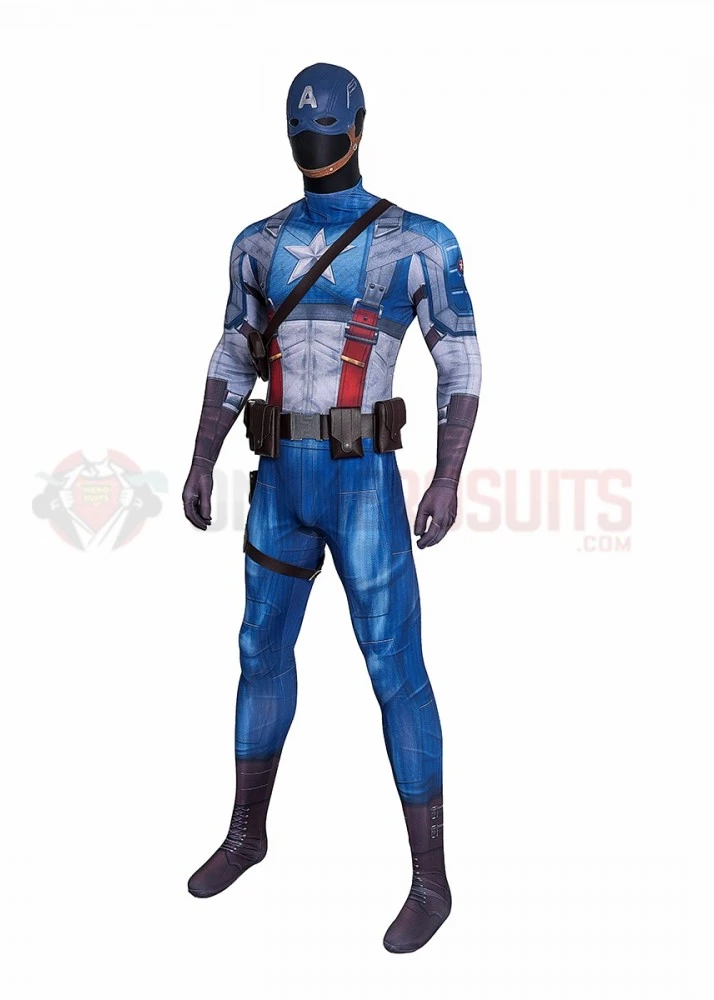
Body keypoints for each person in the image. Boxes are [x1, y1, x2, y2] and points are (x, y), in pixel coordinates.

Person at [182, 62, 481, 953]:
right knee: (258, 651)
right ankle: (247, 833)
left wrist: (448, 476)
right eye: (301, 129)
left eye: (325, 127)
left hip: (362, 486)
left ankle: (431, 880)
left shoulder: (418, 241)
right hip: (279, 479)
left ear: (356, 126)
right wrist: (200, 458)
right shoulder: (255, 245)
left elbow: (460, 357)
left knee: (394, 668)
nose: (314, 142)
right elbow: (234, 354)